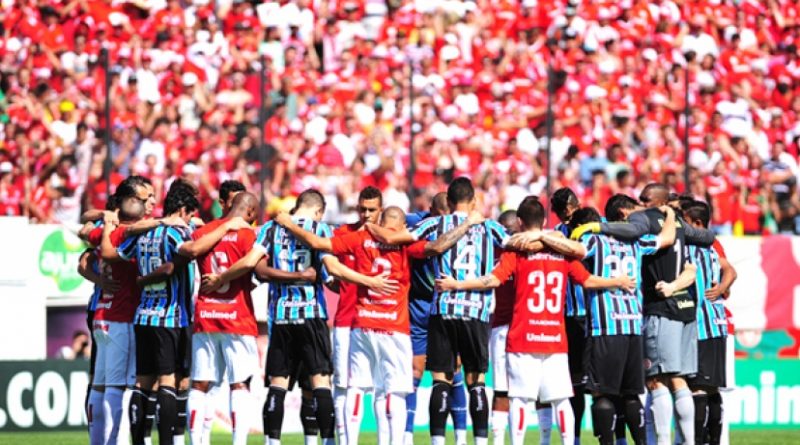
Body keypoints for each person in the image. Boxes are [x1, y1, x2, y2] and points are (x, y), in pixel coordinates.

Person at [201, 189, 399, 445]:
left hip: (281, 317)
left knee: (277, 384)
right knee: (320, 383)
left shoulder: (271, 228)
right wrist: (368, 281)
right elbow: (332, 270)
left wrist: (220, 277)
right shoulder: (322, 229)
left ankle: (273, 442)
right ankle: (327, 441)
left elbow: (252, 264)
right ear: (319, 211)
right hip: (312, 315)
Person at [275, 204, 483, 445]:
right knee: (393, 392)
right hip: (394, 328)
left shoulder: (363, 236)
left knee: (356, 389)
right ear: (402, 226)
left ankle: (348, 442)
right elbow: (437, 246)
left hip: (362, 325)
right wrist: (468, 223)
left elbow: (320, 243)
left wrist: (290, 224)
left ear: (381, 221)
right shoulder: (406, 244)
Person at [436, 196, 635, 445]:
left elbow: (493, 280)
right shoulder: (561, 252)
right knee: (561, 399)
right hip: (554, 338)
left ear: (519, 222)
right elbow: (589, 281)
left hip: (523, 336)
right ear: (544, 221)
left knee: (520, 399)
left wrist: (457, 284)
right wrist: (618, 281)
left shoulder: (516, 253)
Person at [101, 180, 250, 445]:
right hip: (169, 317)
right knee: (169, 381)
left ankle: (140, 441)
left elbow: (112, 254)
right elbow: (191, 250)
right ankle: (169, 442)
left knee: (142, 383)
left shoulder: (144, 233)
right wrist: (226, 226)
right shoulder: (176, 233)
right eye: (191, 214)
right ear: (183, 210)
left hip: (142, 316)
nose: (192, 219)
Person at [369, 178, 507, 445]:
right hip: (476, 313)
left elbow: (395, 236)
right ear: (474, 201)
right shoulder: (490, 227)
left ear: (449, 202)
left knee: (440, 380)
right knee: (476, 380)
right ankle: (478, 441)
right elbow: (518, 241)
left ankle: (437, 442)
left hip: (442, 309)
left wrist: (370, 227)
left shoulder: (434, 223)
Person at [573, 186, 715, 445]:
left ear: (655, 202)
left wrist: (596, 228)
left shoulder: (643, 219)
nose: (640, 204)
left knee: (656, 381)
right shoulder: (677, 223)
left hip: (660, 307)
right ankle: (688, 441)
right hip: (686, 307)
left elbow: (636, 230)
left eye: (644, 200)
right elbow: (707, 237)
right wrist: (673, 217)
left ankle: (661, 442)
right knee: (679, 379)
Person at [568, 204, 678, 445]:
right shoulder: (635, 243)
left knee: (601, 394)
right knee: (630, 395)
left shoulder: (592, 242)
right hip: (632, 328)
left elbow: (571, 250)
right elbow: (667, 238)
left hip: (604, 328)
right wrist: (670, 213)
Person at [402, 192, 470, 445]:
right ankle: (456, 437)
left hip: (433, 304)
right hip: (433, 304)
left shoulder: (418, 225)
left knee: (442, 371)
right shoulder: (421, 223)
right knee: (446, 370)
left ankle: (410, 435)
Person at [83, 195, 149, 445]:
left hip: (102, 314)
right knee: (117, 387)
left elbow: (84, 229)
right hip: (121, 317)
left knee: (99, 386)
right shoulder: (130, 237)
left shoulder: (103, 232)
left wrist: (103, 218)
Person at [682, 201, 737, 445]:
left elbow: (730, 272)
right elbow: (730, 271)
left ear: (697, 224)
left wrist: (720, 288)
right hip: (717, 324)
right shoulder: (712, 248)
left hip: (703, 325)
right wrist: (723, 288)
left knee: (700, 388)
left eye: (685, 221)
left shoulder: (700, 247)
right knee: (712, 388)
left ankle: (698, 441)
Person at [330, 186, 383, 444]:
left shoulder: (389, 238)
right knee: (343, 384)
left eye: (372, 210)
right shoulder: (343, 234)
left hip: (380, 322)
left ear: (380, 210)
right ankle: (343, 440)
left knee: (379, 388)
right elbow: (329, 272)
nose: (366, 214)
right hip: (346, 321)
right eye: (362, 209)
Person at [551, 187, 585, 444]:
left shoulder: (556, 235)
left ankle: (573, 438)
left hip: (573, 317)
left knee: (577, 385)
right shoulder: (601, 229)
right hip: (588, 316)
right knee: (582, 384)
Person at [489, 210, 519, 445]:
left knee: (504, 390)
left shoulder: (493, 255)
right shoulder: (525, 254)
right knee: (506, 390)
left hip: (504, 327)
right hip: (510, 327)